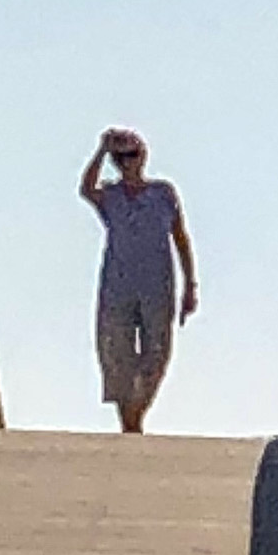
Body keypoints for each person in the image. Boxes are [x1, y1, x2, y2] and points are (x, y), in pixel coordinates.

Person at [79, 128, 198, 433]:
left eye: (132, 155)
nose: (128, 163)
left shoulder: (163, 193)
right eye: (121, 158)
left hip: (157, 286)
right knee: (117, 354)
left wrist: (190, 285)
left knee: (156, 354)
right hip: (118, 285)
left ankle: (135, 416)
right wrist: (102, 149)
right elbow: (86, 189)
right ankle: (130, 424)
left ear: (143, 156)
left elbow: (180, 238)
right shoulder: (110, 195)